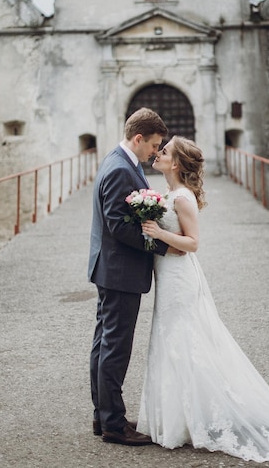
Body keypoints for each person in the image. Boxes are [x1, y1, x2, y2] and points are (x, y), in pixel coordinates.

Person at [137, 135, 269, 462]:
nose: (158, 154)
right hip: (168, 276)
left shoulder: (182, 198)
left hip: (180, 279)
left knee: (182, 341)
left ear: (176, 163)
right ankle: (178, 419)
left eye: (164, 152)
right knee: (170, 342)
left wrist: (157, 232)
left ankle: (189, 420)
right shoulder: (170, 194)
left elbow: (192, 243)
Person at [88, 107, 177, 446]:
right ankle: (113, 422)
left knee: (104, 343)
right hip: (119, 270)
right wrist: (161, 245)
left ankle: (104, 415)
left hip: (111, 268)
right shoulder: (120, 169)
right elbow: (117, 225)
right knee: (115, 347)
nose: (156, 152)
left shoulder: (118, 161)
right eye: (154, 145)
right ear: (138, 139)